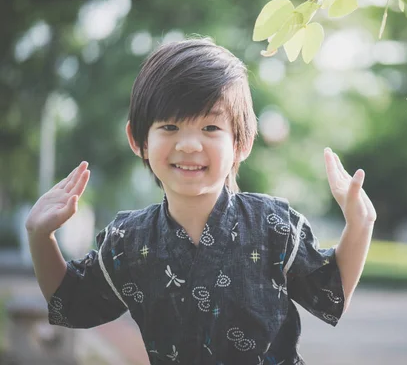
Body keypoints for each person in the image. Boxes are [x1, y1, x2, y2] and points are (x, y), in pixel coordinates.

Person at [25, 37, 376, 364]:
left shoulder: (274, 224)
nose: (190, 145)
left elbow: (330, 294)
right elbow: (72, 303)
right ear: (138, 140)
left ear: (241, 142)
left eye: (210, 128)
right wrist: (41, 237)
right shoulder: (126, 240)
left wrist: (361, 223)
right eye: (170, 127)